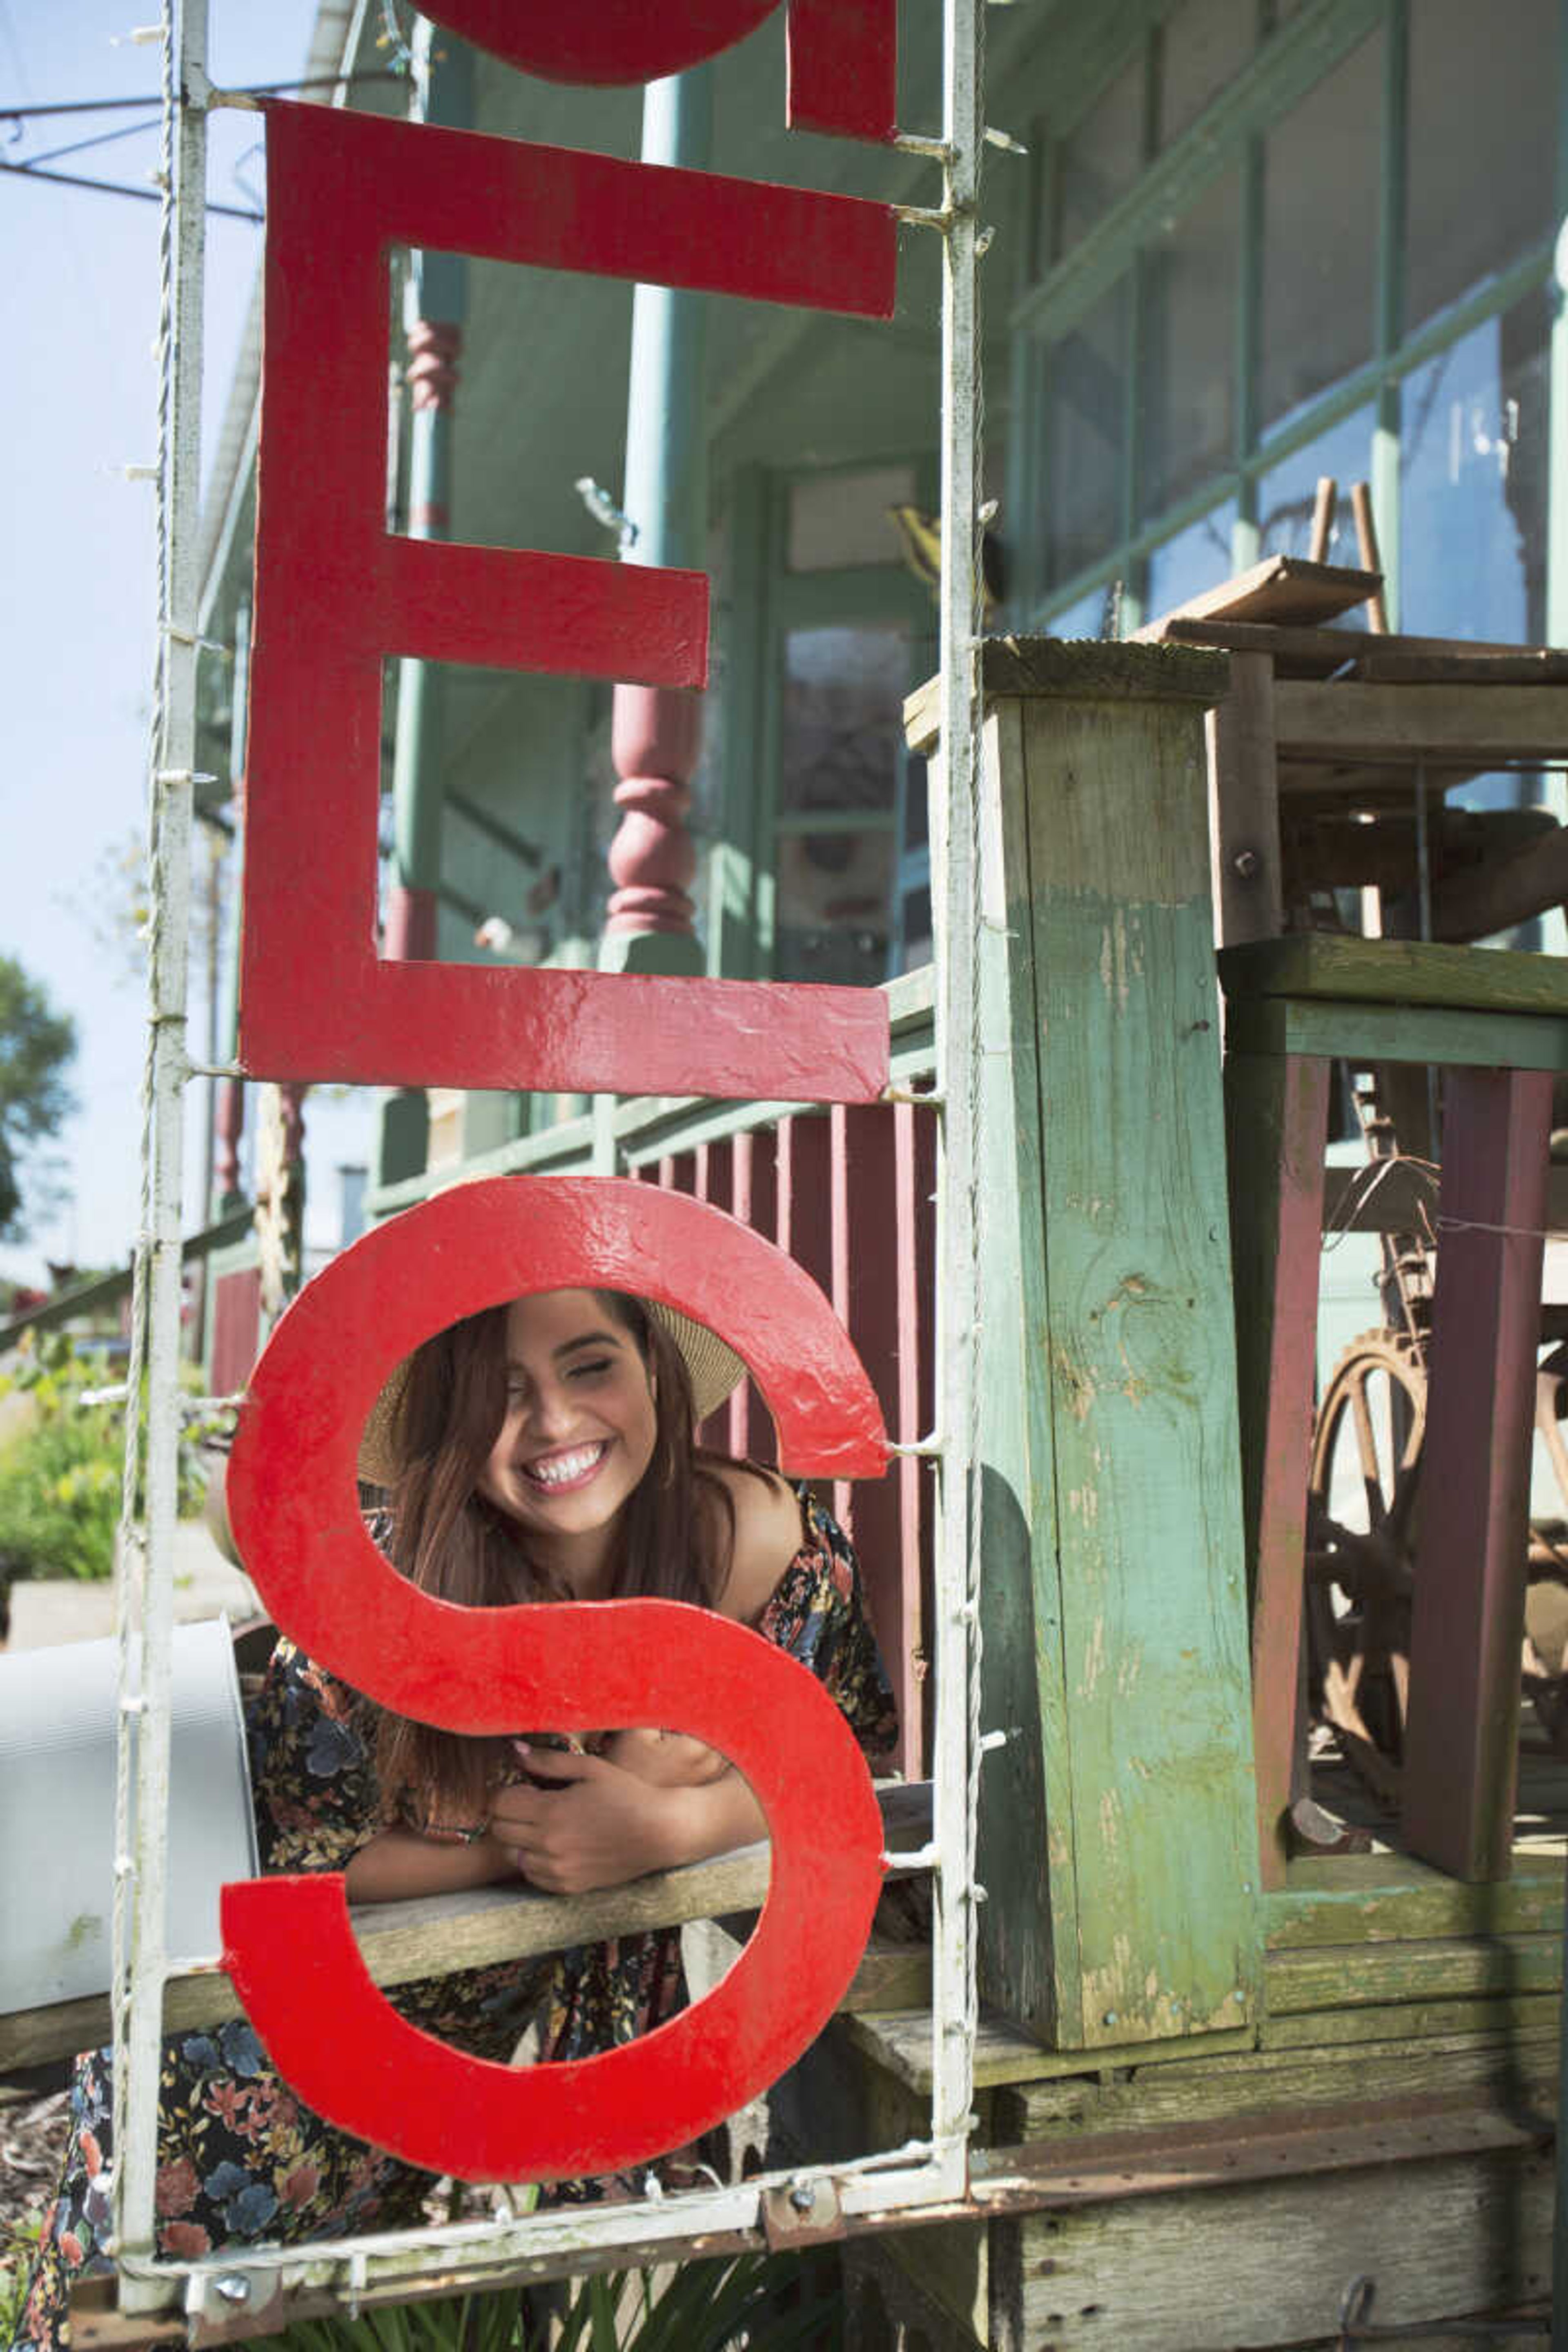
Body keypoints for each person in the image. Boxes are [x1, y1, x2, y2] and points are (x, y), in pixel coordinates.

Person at [11, 1287, 897, 2350]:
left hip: (476, 2078)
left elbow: (841, 1762)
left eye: (589, 1366)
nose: (556, 1424)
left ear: (655, 1367)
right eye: (497, 1393)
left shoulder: (776, 1550)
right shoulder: (385, 1578)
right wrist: (519, 1850)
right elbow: (279, 1868)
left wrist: (667, 1827)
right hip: (255, 2062)